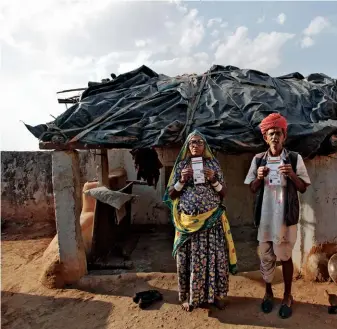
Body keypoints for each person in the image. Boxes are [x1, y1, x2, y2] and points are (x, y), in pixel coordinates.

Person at [244, 113, 311, 319]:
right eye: (270, 133)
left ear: (284, 136)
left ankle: (288, 295)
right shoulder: (258, 160)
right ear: (265, 137)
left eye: (278, 133)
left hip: (285, 218)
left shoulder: (294, 158)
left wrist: (291, 174)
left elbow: (303, 188)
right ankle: (268, 293)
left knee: (286, 257)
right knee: (266, 257)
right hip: (265, 218)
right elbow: (253, 188)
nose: (274, 137)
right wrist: (260, 176)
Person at [163, 130, 237, 312]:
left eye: (199, 142)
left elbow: (223, 193)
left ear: (205, 147)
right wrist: (181, 180)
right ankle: (190, 297)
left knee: (215, 259)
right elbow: (170, 195)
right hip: (188, 225)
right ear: (188, 147)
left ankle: (215, 296)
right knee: (188, 260)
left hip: (211, 222)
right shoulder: (181, 166)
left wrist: (213, 179)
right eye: (192, 143)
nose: (195, 145)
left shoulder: (213, 164)